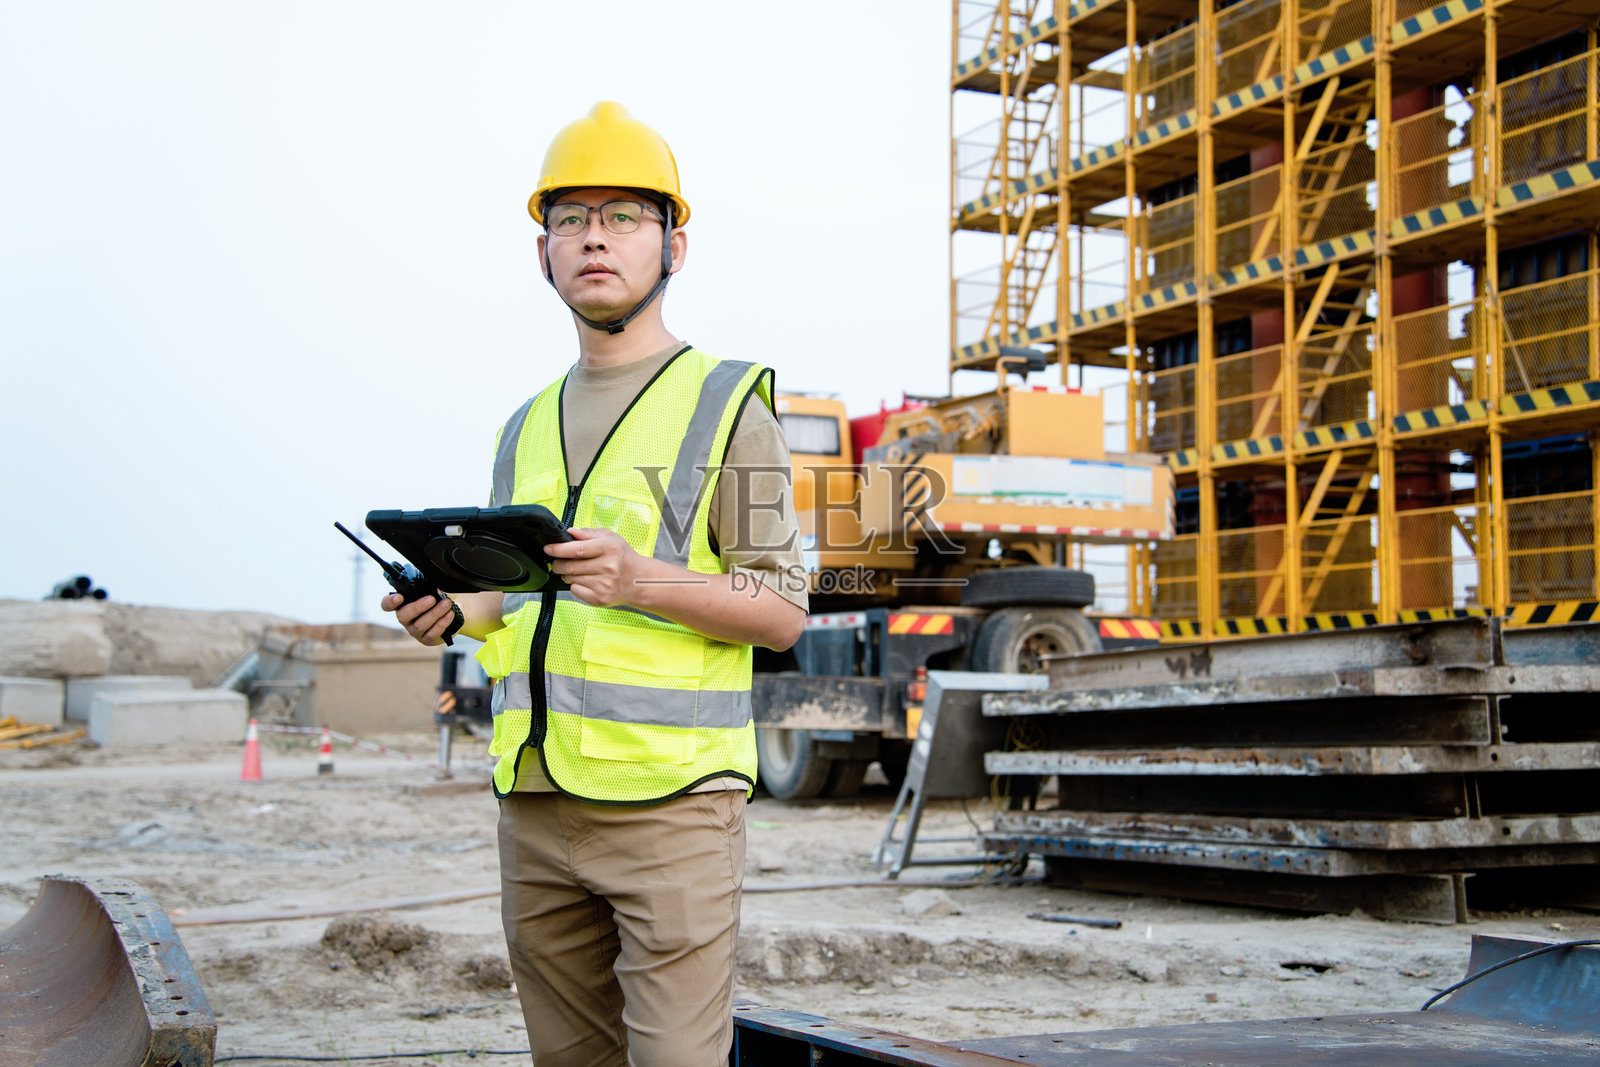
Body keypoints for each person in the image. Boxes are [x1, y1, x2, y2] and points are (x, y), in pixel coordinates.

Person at [383, 100, 807, 1067]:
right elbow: (521, 601)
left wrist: (641, 579)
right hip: (532, 803)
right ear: (543, 254)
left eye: (623, 216)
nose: (594, 239)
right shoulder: (522, 426)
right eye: (570, 220)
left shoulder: (728, 404)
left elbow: (782, 611)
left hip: (669, 807)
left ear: (675, 245)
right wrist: (454, 612)